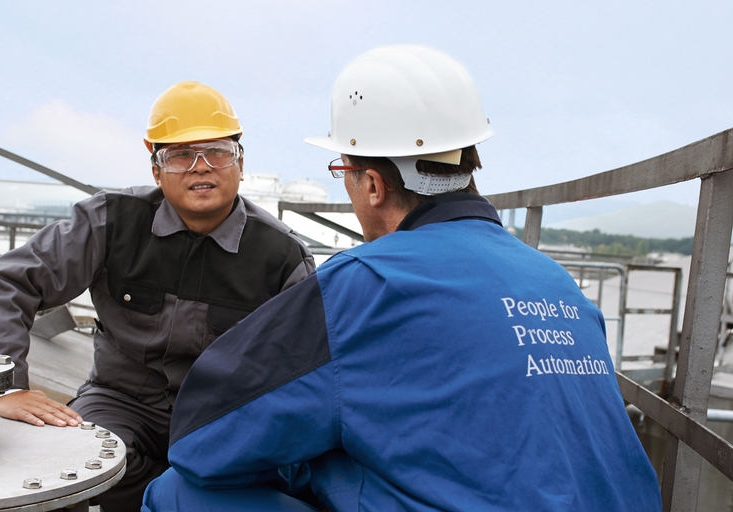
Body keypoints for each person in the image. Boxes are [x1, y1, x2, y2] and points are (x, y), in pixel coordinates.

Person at [142, 46, 662, 511]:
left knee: (176, 493)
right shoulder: (556, 280)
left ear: (371, 184)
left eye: (341, 171)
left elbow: (201, 438)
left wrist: (316, 460)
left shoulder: (367, 282)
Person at [0, 80, 315, 511]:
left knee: (254, 481)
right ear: (155, 169)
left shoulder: (281, 256)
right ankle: (173, 495)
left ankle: (176, 494)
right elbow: (11, 281)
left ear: (240, 164)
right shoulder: (110, 222)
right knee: (75, 463)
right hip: (121, 401)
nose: (201, 166)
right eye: (180, 155)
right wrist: (7, 389)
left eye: (218, 152)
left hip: (220, 418)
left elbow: (308, 365)